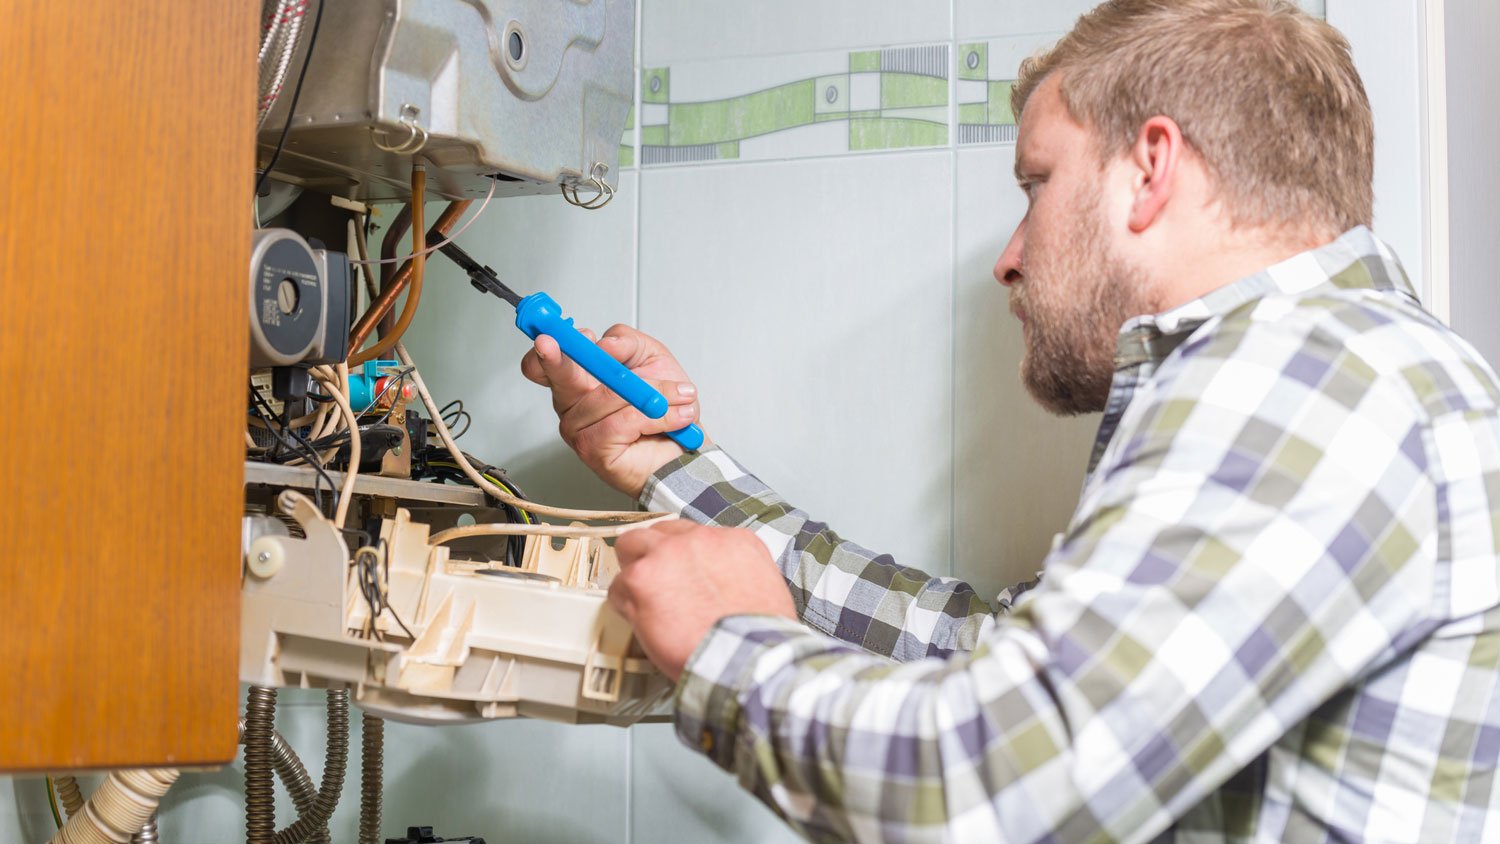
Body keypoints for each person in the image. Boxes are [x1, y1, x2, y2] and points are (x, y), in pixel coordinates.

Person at [521, 1, 1500, 840]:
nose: (1011, 254)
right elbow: (998, 660)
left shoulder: (1302, 380)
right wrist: (662, 465)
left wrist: (732, 644)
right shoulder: (1336, 372)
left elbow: (990, 793)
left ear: (1150, 168)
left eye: (1037, 183)